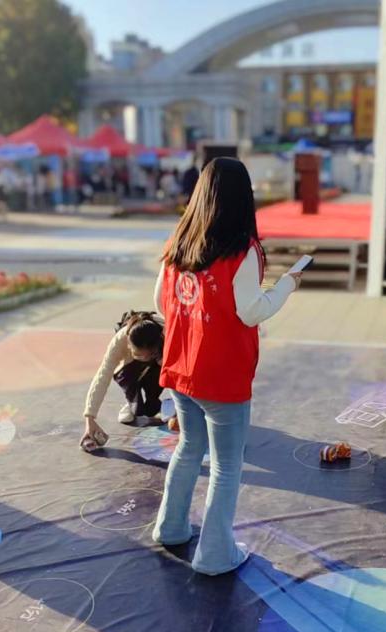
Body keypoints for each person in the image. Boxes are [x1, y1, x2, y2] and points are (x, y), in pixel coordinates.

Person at [151, 157, 301, 574]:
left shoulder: (178, 243)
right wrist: (286, 286)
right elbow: (252, 311)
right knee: (226, 466)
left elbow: (161, 303)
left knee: (188, 447)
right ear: (243, 198)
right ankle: (216, 554)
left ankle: (170, 527)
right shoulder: (242, 249)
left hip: (181, 370)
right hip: (221, 376)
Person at [79, 311, 165, 451]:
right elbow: (102, 376)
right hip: (128, 368)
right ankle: (132, 403)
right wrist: (90, 418)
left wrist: (184, 407)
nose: (144, 359)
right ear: (129, 344)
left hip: (157, 362)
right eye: (139, 355)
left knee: (152, 409)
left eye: (148, 355)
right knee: (138, 410)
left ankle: (154, 402)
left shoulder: (166, 333)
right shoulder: (120, 340)